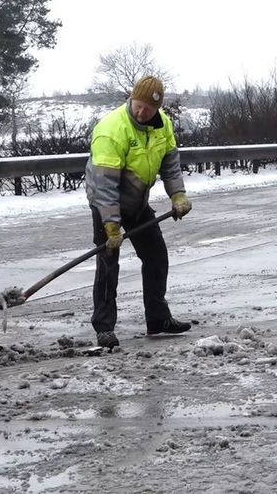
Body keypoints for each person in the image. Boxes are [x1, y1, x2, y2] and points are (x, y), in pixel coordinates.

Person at [85, 76, 193, 349]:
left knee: (156, 255)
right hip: (105, 201)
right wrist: (111, 226)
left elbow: (170, 163)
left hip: (137, 201)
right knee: (108, 263)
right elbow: (105, 184)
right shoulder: (111, 130)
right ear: (131, 98)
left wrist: (178, 194)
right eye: (139, 105)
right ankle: (104, 327)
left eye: (149, 108)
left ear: (157, 109)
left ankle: (158, 319)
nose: (142, 112)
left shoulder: (162, 125)